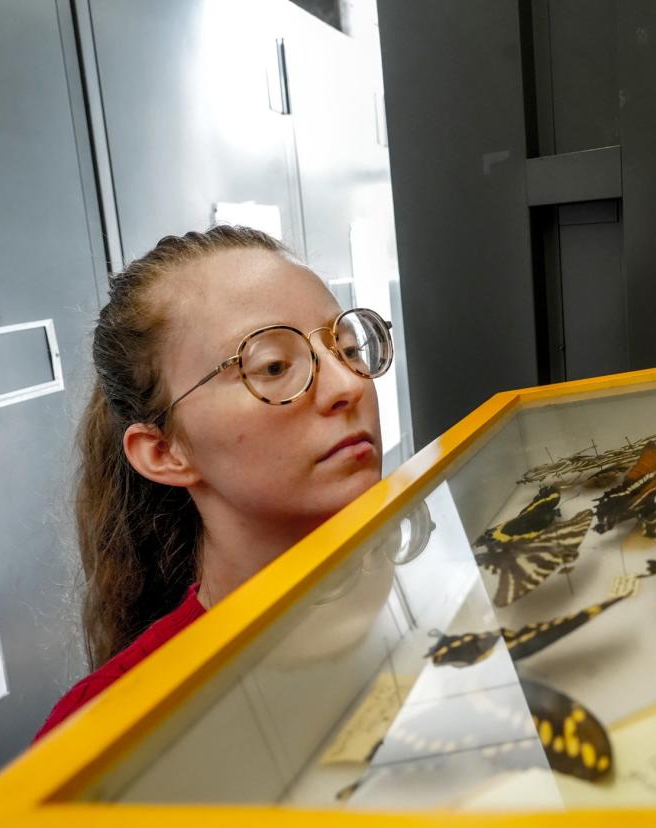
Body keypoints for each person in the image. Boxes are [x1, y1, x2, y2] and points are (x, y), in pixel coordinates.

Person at [35, 225, 390, 740]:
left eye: (348, 348)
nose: (348, 384)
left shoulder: (447, 580)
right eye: (272, 366)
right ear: (164, 452)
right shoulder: (100, 734)